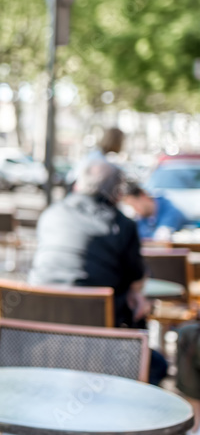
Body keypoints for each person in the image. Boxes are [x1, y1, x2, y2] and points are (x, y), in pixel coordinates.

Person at [29, 159, 167, 384]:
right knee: (158, 365)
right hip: (98, 346)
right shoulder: (121, 225)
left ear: (77, 184)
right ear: (117, 193)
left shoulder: (51, 215)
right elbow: (137, 280)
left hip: (37, 340)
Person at [123, 182, 190, 241]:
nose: (134, 209)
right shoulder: (140, 218)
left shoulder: (170, 211)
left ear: (142, 195)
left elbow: (161, 238)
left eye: (134, 204)